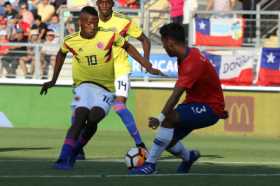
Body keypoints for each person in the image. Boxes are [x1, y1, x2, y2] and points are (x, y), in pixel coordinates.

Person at [40, 6, 163, 170]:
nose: (93, 26)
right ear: (81, 23)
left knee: (93, 119)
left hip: (106, 88)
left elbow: (129, 47)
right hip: (83, 86)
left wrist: (146, 65)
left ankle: (75, 151)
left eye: (95, 23)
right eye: (90, 23)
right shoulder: (71, 40)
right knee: (79, 118)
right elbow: (61, 55)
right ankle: (63, 158)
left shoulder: (109, 35)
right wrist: (53, 80)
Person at [129, 23, 228, 175]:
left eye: (163, 44)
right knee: (167, 141)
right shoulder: (187, 55)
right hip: (196, 104)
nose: (163, 47)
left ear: (170, 42)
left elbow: (176, 95)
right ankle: (189, 157)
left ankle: (150, 165)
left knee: (169, 118)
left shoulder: (192, 62)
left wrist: (160, 117)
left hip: (210, 108)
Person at [96, 0, 150, 151]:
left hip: (120, 69)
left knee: (119, 106)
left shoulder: (123, 21)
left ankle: (140, 144)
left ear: (112, 4)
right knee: (90, 111)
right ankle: (78, 146)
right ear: (97, 4)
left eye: (108, 3)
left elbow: (145, 40)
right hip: (100, 72)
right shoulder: (91, 21)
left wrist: (145, 60)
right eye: (102, 2)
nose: (105, 5)